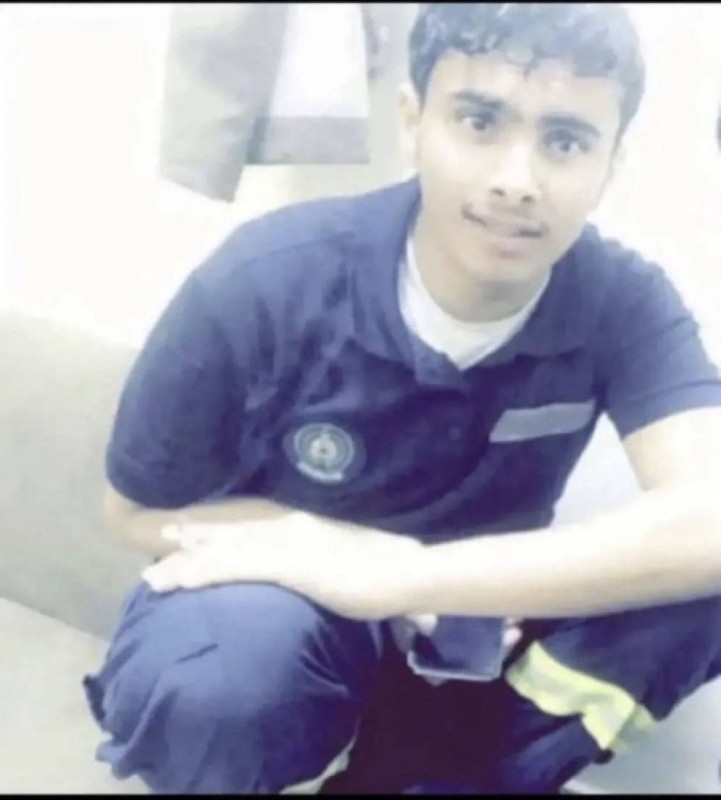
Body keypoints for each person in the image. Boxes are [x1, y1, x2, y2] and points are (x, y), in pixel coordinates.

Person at [84, 3, 721, 794]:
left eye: (563, 141)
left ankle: (433, 779)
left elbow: (710, 519)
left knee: (701, 593)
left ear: (609, 161)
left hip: (474, 624)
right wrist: (334, 553)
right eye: (479, 122)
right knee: (217, 677)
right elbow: (134, 509)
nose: (515, 181)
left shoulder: (622, 300)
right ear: (413, 120)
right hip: (291, 603)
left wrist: (412, 578)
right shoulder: (268, 278)